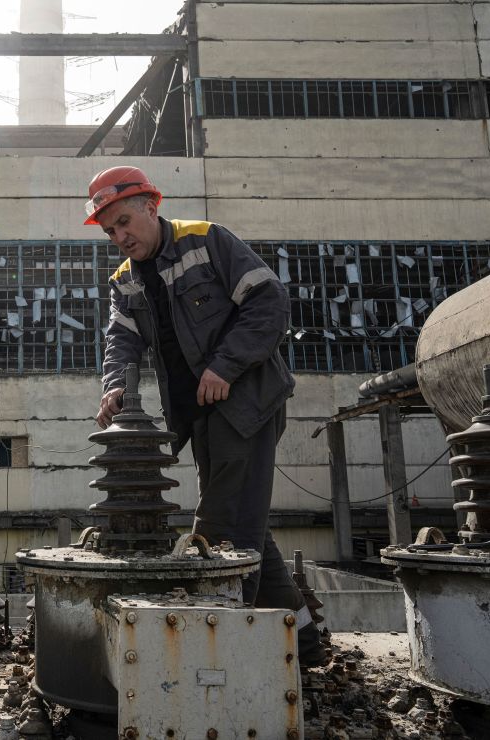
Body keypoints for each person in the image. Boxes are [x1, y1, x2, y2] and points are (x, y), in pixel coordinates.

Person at [86, 166, 325, 666]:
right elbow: (122, 339)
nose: (120, 237)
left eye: (126, 222)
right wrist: (113, 386)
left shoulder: (207, 241)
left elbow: (268, 301)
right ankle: (301, 642)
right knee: (248, 524)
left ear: (153, 206)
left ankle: (223, 655)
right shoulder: (125, 281)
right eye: (111, 231)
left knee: (222, 528)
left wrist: (224, 365)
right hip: (199, 417)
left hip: (246, 402)